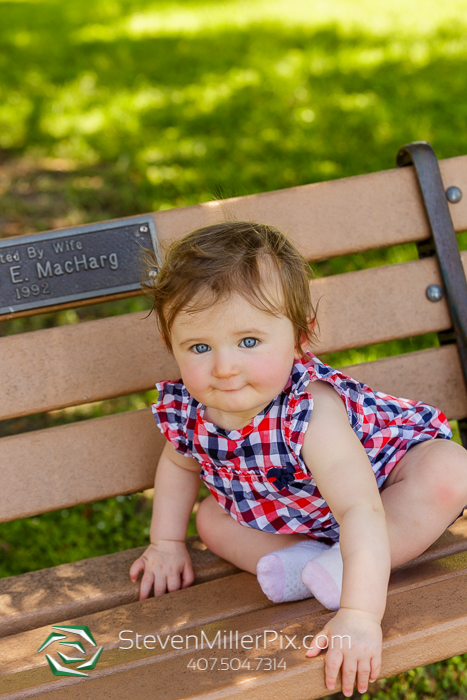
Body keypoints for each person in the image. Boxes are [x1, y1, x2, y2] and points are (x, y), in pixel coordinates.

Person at [129, 221, 467, 697]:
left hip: (382, 494)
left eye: (248, 342)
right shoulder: (189, 409)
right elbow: (179, 465)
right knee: (210, 518)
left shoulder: (310, 413)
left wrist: (358, 615)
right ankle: (300, 566)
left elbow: (361, 509)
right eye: (199, 347)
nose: (224, 367)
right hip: (295, 514)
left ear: (300, 337)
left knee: (451, 470)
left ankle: (344, 572)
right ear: (173, 346)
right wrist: (165, 541)